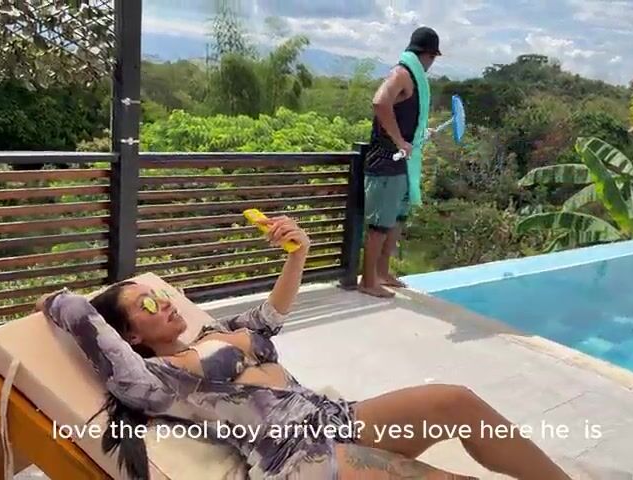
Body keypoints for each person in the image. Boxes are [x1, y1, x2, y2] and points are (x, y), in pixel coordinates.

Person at [37, 215, 572, 480]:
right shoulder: (159, 379)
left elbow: (271, 317)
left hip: (332, 417)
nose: (163, 302)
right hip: (301, 457)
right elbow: (80, 313)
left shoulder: (214, 331)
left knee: (455, 400)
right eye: (146, 305)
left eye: (159, 294)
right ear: (130, 336)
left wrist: (299, 252)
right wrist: (54, 300)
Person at [360, 26, 441, 298]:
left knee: (396, 219)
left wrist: (418, 135)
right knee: (379, 225)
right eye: (432, 58)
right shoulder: (402, 74)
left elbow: (404, 115)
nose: (431, 64)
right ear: (426, 55)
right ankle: (368, 281)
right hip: (386, 161)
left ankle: (383, 273)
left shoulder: (414, 79)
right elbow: (380, 102)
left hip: (403, 164)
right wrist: (399, 141)